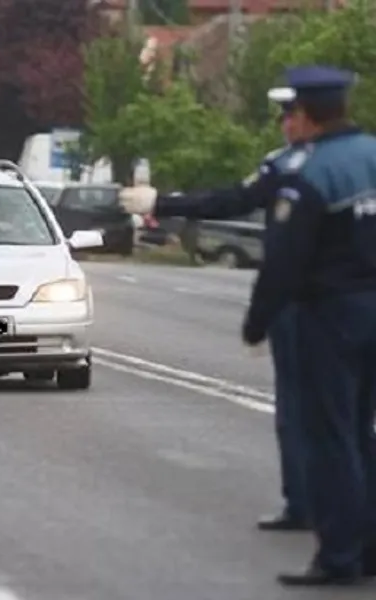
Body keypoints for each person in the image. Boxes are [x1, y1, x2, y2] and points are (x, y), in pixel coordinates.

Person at [118, 86, 310, 533]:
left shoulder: (292, 167)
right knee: (334, 414)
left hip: (312, 307)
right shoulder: (359, 159)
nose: (285, 124)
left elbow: (234, 205)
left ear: (308, 118)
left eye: (291, 115)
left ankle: (331, 518)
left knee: (320, 413)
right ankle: (309, 504)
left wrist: (160, 204)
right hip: (347, 306)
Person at [239, 65, 376, 586]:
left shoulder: (312, 171)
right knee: (364, 431)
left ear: (303, 114)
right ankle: (368, 546)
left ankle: (339, 555)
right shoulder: (371, 155)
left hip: (331, 314)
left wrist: (258, 321)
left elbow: (285, 260)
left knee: (330, 436)